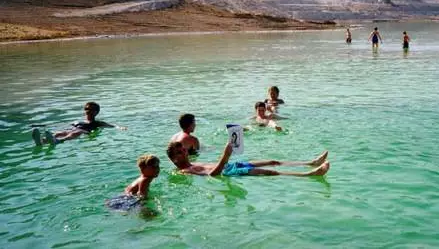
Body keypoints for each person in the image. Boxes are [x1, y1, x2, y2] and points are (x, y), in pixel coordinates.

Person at [167, 141, 330, 177]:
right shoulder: (185, 171)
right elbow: (211, 175)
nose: (184, 151)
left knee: (272, 161)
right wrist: (224, 157)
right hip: (229, 171)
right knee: (268, 171)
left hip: (230, 165)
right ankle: (309, 175)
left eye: (183, 149)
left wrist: (227, 156)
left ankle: (310, 162)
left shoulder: (192, 162)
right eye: (180, 152)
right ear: (174, 160)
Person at [31, 102, 127, 145]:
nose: (88, 111)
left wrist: (120, 127)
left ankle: (58, 141)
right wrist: (42, 125)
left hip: (84, 132)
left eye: (91, 110)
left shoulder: (98, 123)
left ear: (96, 112)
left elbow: (112, 126)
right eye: (86, 109)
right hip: (73, 129)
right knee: (59, 132)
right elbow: (62, 124)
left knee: (75, 133)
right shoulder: (77, 121)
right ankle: (41, 141)